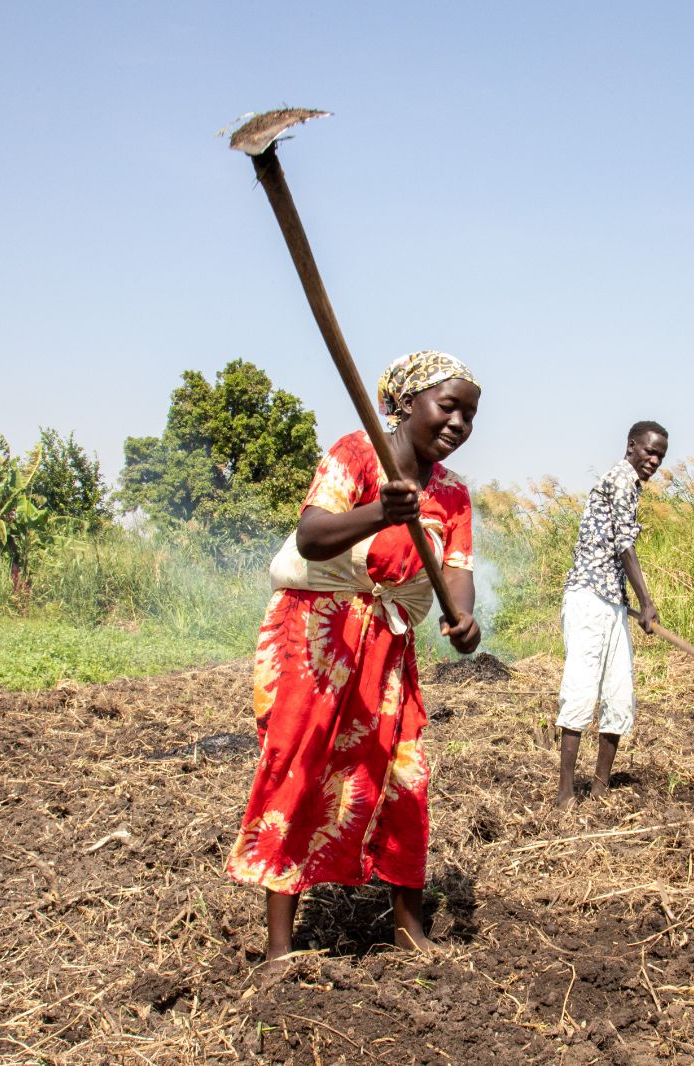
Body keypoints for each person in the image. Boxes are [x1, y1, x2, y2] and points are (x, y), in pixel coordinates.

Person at [226, 351, 482, 971]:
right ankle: (281, 948)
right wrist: (380, 512)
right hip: (317, 639)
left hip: (389, 648)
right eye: (447, 406)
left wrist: (463, 621)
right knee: (300, 763)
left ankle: (408, 931)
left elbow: (457, 574)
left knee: (405, 775)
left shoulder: (451, 494)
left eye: (469, 415)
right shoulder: (356, 454)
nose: (458, 423)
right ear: (406, 402)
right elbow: (311, 536)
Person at [554, 421, 668, 810]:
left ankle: (600, 789)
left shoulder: (631, 485)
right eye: (649, 451)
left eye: (660, 456)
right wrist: (647, 601)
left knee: (619, 695)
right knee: (581, 691)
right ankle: (565, 794)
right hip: (588, 598)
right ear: (632, 446)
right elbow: (624, 545)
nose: (653, 460)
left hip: (612, 602)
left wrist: (628, 602)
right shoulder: (620, 479)